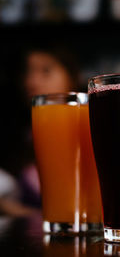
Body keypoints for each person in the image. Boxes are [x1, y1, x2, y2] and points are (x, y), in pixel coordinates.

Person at [0, 44, 81, 216]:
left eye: (46, 71)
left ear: (71, 76)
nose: (31, 82)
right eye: (27, 72)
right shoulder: (14, 137)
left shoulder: (91, 132)